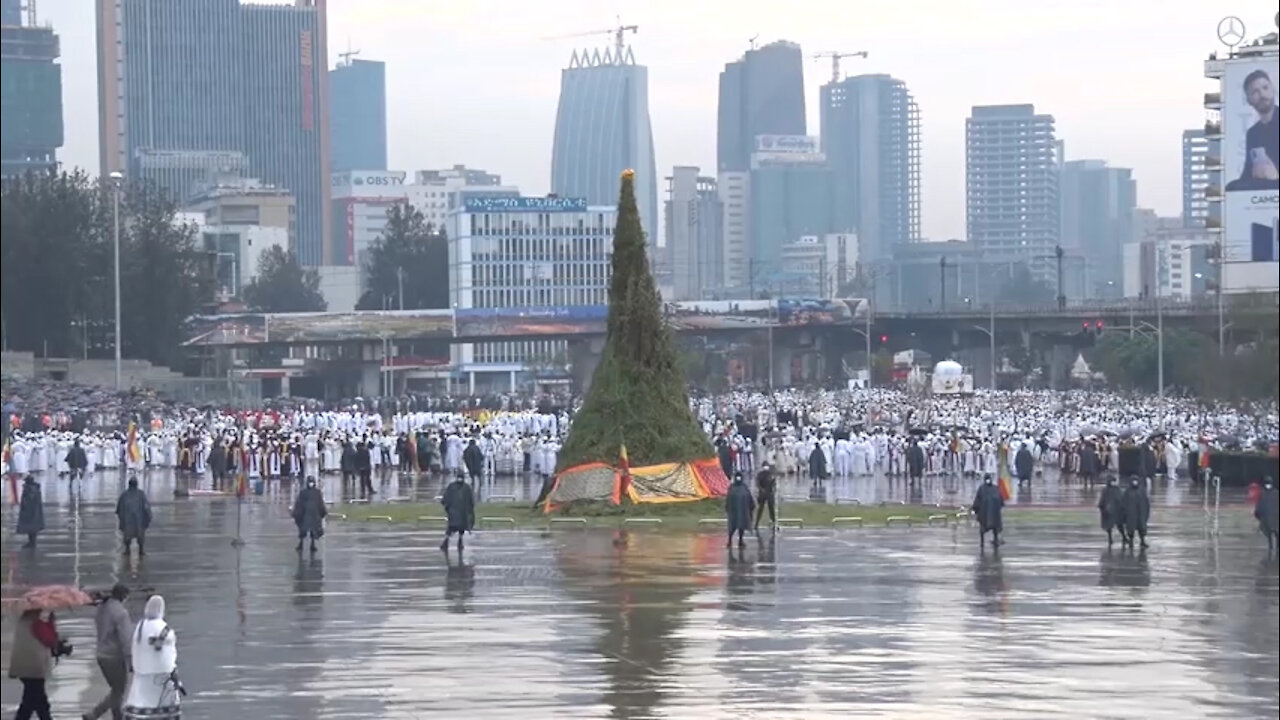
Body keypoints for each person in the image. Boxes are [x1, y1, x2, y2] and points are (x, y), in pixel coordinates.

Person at [123, 595, 182, 720]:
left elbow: (134, 648)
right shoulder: (165, 629)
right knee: (165, 708)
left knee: (139, 704)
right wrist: (172, 670)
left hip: (142, 675)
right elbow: (170, 654)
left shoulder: (140, 627)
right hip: (161, 677)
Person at [86, 584, 133, 720]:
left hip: (101, 654)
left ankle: (114, 716)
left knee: (116, 690)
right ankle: (95, 714)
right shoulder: (121, 613)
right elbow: (126, 639)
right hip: (114, 657)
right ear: (124, 597)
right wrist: (131, 661)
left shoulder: (102, 608)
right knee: (118, 691)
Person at [9, 608, 66, 720]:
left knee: (36, 698)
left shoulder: (24, 620)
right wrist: (51, 622)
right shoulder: (37, 623)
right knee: (33, 700)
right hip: (34, 668)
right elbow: (49, 639)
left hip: (24, 666)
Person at [1228, 69, 1280, 191]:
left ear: (1273, 90)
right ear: (1249, 100)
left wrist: (1275, 176)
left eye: (1265, 88)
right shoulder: (1253, 133)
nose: (1262, 95)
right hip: (1263, 188)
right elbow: (1248, 172)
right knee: (1232, 188)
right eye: (1255, 92)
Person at [439, 471, 475, 553]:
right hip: (459, 513)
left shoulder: (463, 488)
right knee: (456, 528)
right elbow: (471, 502)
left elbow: (445, 500)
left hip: (457, 513)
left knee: (454, 529)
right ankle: (455, 542)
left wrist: (447, 507)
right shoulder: (463, 487)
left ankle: (455, 541)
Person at [116, 477, 152, 556]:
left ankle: (127, 550)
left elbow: (119, 508)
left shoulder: (124, 495)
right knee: (140, 536)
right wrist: (149, 517)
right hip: (139, 520)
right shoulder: (141, 494)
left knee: (127, 535)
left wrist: (121, 517)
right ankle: (141, 550)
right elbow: (147, 507)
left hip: (127, 521)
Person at [292, 476, 328, 553]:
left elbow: (320, 503)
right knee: (304, 530)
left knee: (311, 530)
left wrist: (322, 511)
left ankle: (310, 545)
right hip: (306, 514)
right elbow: (299, 503)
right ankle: (303, 544)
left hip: (312, 515)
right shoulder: (305, 492)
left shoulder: (316, 492)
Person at [971, 474, 1004, 549]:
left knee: (982, 528)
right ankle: (995, 540)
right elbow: (1001, 502)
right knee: (995, 528)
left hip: (984, 515)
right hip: (995, 516)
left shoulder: (981, 489)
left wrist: (975, 510)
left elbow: (977, 502)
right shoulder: (996, 488)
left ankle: (982, 542)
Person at [725, 471, 755, 548]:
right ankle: (730, 540)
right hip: (734, 511)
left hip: (742, 511)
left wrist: (751, 505)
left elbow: (749, 497)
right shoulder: (732, 487)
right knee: (732, 527)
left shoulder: (744, 487)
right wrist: (728, 507)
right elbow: (728, 499)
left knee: (741, 526)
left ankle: (740, 541)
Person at [1120, 475, 1151, 549]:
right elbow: (1123, 503)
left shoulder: (1142, 491)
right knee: (1131, 528)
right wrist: (1124, 514)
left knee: (1142, 527)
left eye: (1136, 480)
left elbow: (1146, 502)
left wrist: (1146, 513)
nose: (1135, 482)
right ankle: (1131, 541)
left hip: (1141, 513)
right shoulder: (1127, 492)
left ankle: (1142, 541)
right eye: (1133, 480)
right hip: (1131, 514)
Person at [16, 475, 45, 549]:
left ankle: (32, 543)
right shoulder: (35, 488)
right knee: (33, 527)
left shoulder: (29, 489)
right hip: (35, 512)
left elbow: (27, 500)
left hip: (30, 512)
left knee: (30, 527)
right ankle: (32, 542)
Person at [1097, 475, 1124, 547]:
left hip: (1115, 510)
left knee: (1118, 525)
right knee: (1110, 526)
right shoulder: (1107, 490)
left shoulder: (1115, 489)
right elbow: (1102, 499)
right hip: (1109, 511)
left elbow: (1120, 499)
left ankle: (1123, 537)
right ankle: (1111, 538)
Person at [1255, 476, 1278, 553]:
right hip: (1270, 518)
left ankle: (1272, 547)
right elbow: (1260, 506)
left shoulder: (1273, 493)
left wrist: (1258, 514)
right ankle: (1272, 547)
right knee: (1272, 534)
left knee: (1272, 533)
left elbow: (1259, 506)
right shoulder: (1264, 493)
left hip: (1272, 518)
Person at [753, 462, 777, 531]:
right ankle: (756, 523)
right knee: (760, 509)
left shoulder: (771, 474)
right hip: (763, 494)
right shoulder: (760, 474)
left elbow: (774, 483)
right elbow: (757, 483)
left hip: (769, 493)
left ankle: (773, 522)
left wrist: (773, 489)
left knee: (771, 509)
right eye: (765, 466)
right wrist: (761, 490)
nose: (766, 467)